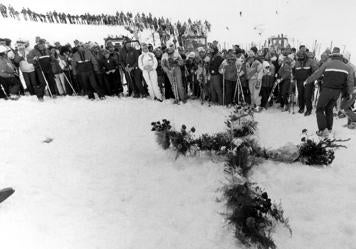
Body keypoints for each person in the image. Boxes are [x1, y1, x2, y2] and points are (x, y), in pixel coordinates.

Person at [305, 47, 354, 137]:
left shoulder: (327, 64)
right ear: (340, 56)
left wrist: (307, 80)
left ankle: (323, 130)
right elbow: (350, 81)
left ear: (332, 55)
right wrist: (350, 93)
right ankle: (329, 128)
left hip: (327, 90)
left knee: (319, 109)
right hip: (337, 93)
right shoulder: (347, 67)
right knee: (329, 109)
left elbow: (317, 73)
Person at [293, 50, 317, 115]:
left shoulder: (310, 61)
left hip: (308, 81)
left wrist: (312, 78)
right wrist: (294, 76)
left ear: (304, 55)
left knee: (307, 95)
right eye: (299, 56)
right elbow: (294, 70)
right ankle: (301, 108)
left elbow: (315, 70)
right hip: (299, 80)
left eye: (302, 55)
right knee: (300, 95)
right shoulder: (297, 62)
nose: (300, 57)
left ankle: (309, 109)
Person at [340, 51, 356, 129]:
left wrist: (352, 90)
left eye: (345, 59)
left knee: (344, 107)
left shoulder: (351, 67)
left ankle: (354, 120)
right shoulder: (344, 66)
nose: (343, 60)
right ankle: (350, 121)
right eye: (343, 59)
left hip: (351, 90)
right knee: (347, 107)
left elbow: (352, 80)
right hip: (347, 90)